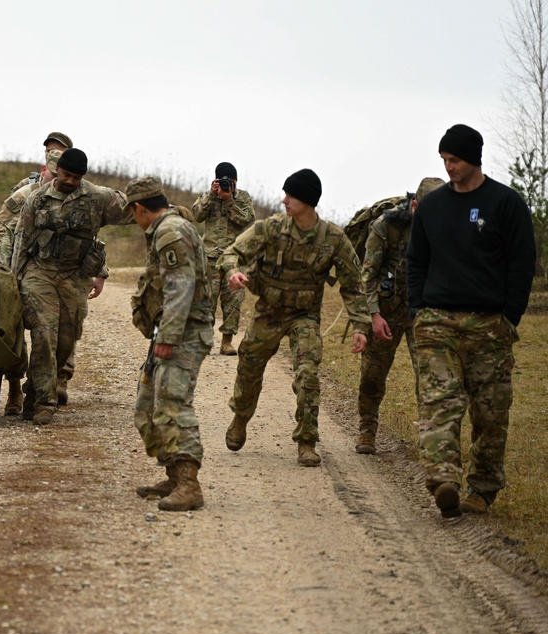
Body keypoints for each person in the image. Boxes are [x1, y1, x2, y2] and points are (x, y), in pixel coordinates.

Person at [406, 124, 536, 518]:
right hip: (437, 322)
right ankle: (444, 478)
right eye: (444, 160)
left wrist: (509, 319)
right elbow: (416, 261)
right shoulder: (431, 206)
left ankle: (482, 488)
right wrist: (418, 311)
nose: (448, 167)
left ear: (474, 159)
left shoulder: (505, 204)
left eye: (455, 160)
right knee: (439, 401)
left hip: (489, 325)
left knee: (490, 411)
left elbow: (522, 264)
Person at [219, 169, 370, 466]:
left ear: (307, 200)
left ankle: (306, 440)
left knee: (308, 373)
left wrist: (361, 325)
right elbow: (231, 252)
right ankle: (240, 417)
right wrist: (233, 271)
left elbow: (353, 284)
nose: (284, 200)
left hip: (305, 316)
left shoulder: (334, 239)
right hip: (269, 312)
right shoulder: (271, 228)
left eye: (291, 195)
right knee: (249, 365)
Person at [12, 148, 133, 425]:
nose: (70, 181)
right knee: (44, 333)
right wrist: (14, 281)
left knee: (67, 340)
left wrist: (167, 213)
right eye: (66, 175)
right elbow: (22, 240)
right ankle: (45, 401)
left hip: (74, 277)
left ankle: (34, 389)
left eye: (76, 177)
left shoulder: (98, 197)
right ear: (57, 172)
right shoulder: (37, 199)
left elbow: (134, 210)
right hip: (40, 272)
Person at [127, 177, 214, 511]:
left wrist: (168, 337)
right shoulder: (169, 227)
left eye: (133, 214)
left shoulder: (169, 231)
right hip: (171, 329)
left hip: (185, 333)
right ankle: (175, 476)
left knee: (173, 405)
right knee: (147, 406)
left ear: (140, 208)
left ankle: (190, 485)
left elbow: (181, 286)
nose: (135, 221)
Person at [355, 176, 445, 455]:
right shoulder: (387, 226)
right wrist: (373, 315)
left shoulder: (447, 226)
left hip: (425, 312)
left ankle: (431, 440)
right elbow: (367, 274)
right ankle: (367, 430)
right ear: (415, 205)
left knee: (432, 376)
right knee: (373, 374)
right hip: (387, 311)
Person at [0, 149, 62, 415]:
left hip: (51, 276)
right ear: (44, 171)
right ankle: (13, 389)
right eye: (52, 174)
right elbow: (3, 234)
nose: (55, 180)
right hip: (19, 273)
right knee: (14, 335)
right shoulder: (23, 197)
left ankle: (37, 388)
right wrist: (5, 274)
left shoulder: (68, 198)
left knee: (48, 337)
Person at [191, 162, 256, 355]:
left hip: (234, 258)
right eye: (225, 181)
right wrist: (212, 195)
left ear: (236, 181)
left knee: (233, 300)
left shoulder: (243, 197)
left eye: (232, 181)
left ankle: (227, 342)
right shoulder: (208, 195)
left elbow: (248, 221)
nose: (229, 184)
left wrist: (229, 201)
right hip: (210, 257)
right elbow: (196, 215)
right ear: (217, 180)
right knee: (206, 299)